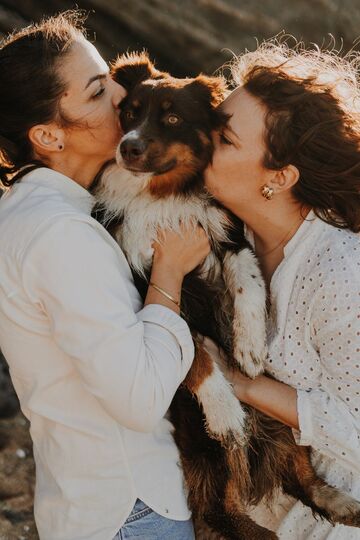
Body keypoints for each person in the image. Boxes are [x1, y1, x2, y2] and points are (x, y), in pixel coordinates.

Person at [0, 12, 210, 540]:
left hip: (87, 501)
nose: (120, 94)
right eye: (96, 91)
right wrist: (169, 272)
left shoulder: (26, 213)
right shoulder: (60, 234)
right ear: (48, 134)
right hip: (133, 509)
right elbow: (138, 398)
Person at [204, 40, 360, 538]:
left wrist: (247, 386)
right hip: (265, 507)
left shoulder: (341, 273)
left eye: (223, 139)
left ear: (279, 177)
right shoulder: (231, 234)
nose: (200, 139)